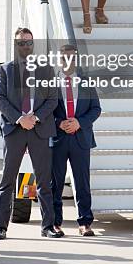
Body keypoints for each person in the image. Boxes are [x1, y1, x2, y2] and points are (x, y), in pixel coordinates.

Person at [0, 27, 62, 239]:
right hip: (15, 130)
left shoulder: (45, 70)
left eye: (29, 42)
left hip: (38, 130)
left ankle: (48, 226)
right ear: (15, 45)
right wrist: (19, 118)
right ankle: (1, 227)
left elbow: (52, 99)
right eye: (21, 42)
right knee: (7, 180)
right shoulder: (5, 70)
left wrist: (35, 118)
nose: (25, 45)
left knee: (44, 180)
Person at [51, 44, 101, 236]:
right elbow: (45, 111)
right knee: (55, 183)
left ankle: (85, 223)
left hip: (81, 138)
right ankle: (55, 223)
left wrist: (79, 122)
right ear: (59, 59)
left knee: (82, 182)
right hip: (58, 139)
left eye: (71, 57)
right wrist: (59, 123)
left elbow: (96, 109)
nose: (67, 61)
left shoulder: (86, 82)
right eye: (64, 58)